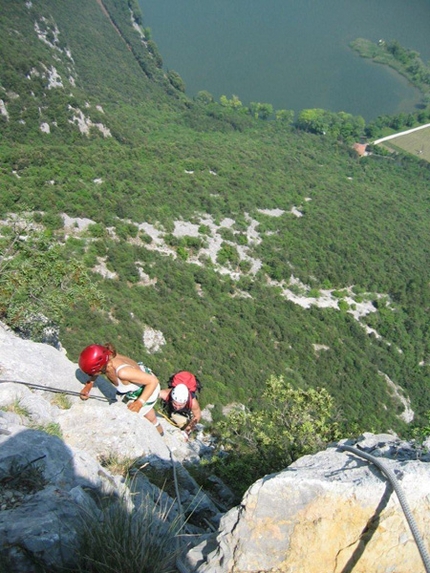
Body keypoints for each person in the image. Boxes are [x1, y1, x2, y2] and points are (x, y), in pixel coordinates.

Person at [78, 343, 164, 436]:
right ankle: (156, 425)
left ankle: (158, 432)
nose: (92, 375)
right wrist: (89, 384)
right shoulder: (108, 356)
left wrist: (139, 403)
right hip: (140, 380)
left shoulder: (123, 372)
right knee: (148, 414)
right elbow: (99, 367)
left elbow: (153, 381)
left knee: (143, 416)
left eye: (92, 373)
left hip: (148, 388)